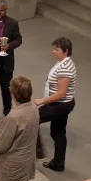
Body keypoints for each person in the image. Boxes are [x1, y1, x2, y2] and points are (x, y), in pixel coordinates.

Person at [0, 76, 39, 181]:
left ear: (14, 95)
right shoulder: (34, 108)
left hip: (11, 167)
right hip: (25, 162)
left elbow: (2, 145)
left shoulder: (14, 117)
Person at [34, 37, 76, 172]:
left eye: (57, 49)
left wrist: (41, 101)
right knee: (58, 132)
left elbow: (61, 93)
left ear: (66, 51)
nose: (54, 52)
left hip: (59, 105)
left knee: (33, 119)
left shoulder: (65, 68)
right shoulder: (63, 63)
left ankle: (37, 151)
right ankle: (58, 163)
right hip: (63, 104)